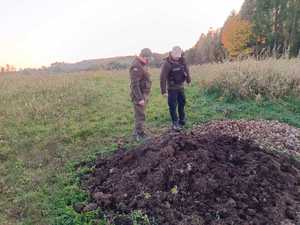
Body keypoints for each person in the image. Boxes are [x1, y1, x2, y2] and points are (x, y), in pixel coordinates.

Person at [160, 46, 191, 130]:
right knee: (173, 106)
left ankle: (182, 119)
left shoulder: (182, 60)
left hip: (181, 86)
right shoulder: (167, 63)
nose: (178, 56)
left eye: (179, 55)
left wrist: (188, 80)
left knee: (182, 103)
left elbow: (186, 70)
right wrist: (163, 91)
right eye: (176, 55)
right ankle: (175, 122)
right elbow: (162, 77)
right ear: (172, 53)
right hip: (172, 88)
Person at [129, 48, 153, 141]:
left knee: (141, 113)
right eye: (148, 58)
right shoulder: (136, 65)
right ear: (144, 56)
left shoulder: (142, 64)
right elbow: (135, 84)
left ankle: (138, 131)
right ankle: (139, 134)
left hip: (143, 94)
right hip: (139, 95)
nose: (149, 60)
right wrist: (140, 98)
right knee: (140, 115)